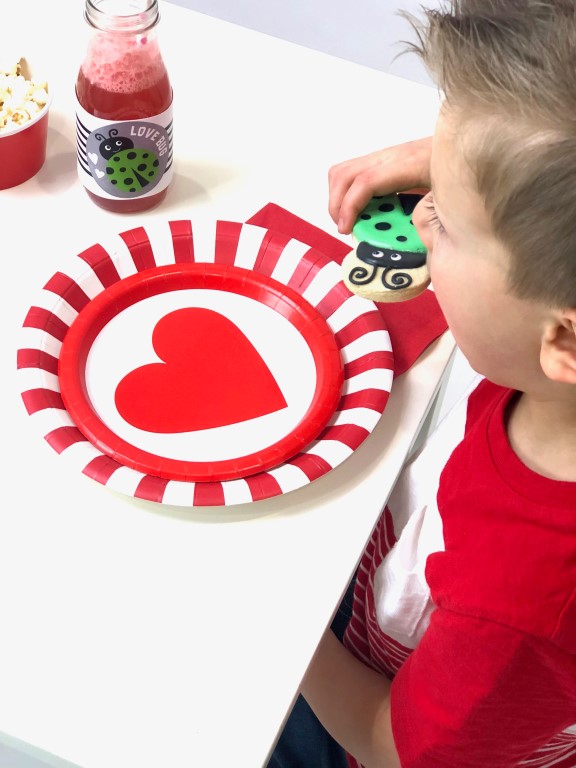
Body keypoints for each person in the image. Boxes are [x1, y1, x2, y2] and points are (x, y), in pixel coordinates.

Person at [267, 1, 576, 766]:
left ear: (563, 337)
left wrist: (283, 626)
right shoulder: (540, 364)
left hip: (374, 706)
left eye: (445, 221)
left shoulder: (520, 605)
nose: (418, 218)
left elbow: (396, 748)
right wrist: (471, 163)